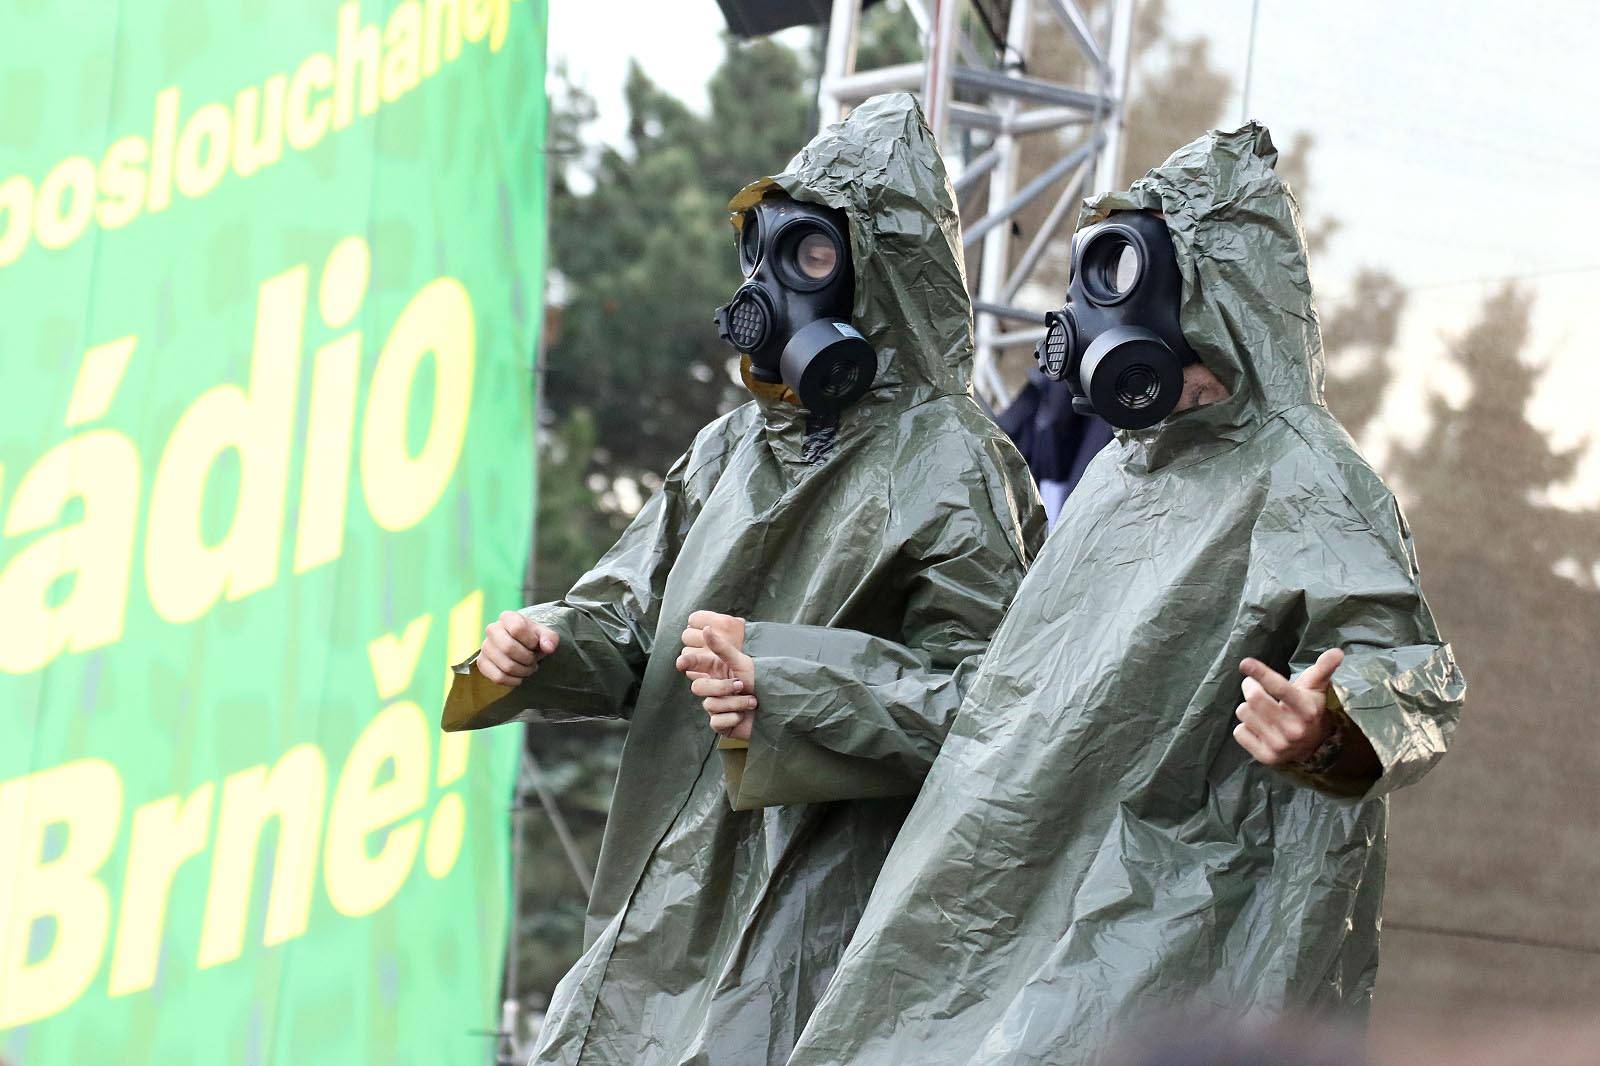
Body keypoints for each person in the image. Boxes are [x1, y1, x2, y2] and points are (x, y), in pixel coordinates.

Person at [690, 123, 1466, 1064]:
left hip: (1185, 919)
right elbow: (1007, 703)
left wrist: (1333, 724)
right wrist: (789, 684)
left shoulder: (1307, 477)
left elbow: (1415, 671)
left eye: (1129, 276)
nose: (1100, 314)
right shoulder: (1119, 477)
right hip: (1032, 901)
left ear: (1214, 296)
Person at [440, 92, 1044, 1066]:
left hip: (811, 933)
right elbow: (625, 615)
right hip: (654, 922)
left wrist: (794, 683)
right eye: (763, 254)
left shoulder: (952, 460)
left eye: (810, 255)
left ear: (878, 271)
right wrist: (545, 647)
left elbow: (998, 708)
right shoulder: (728, 449)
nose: (775, 285)